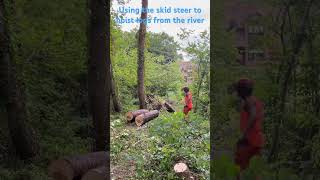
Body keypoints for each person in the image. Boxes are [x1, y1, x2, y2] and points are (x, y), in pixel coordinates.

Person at [229, 78, 265, 179]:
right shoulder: (255, 101)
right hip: (258, 139)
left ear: (242, 92)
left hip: (248, 140)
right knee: (254, 170)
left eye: (238, 90)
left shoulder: (248, 102)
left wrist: (244, 133)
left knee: (239, 168)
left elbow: (253, 115)